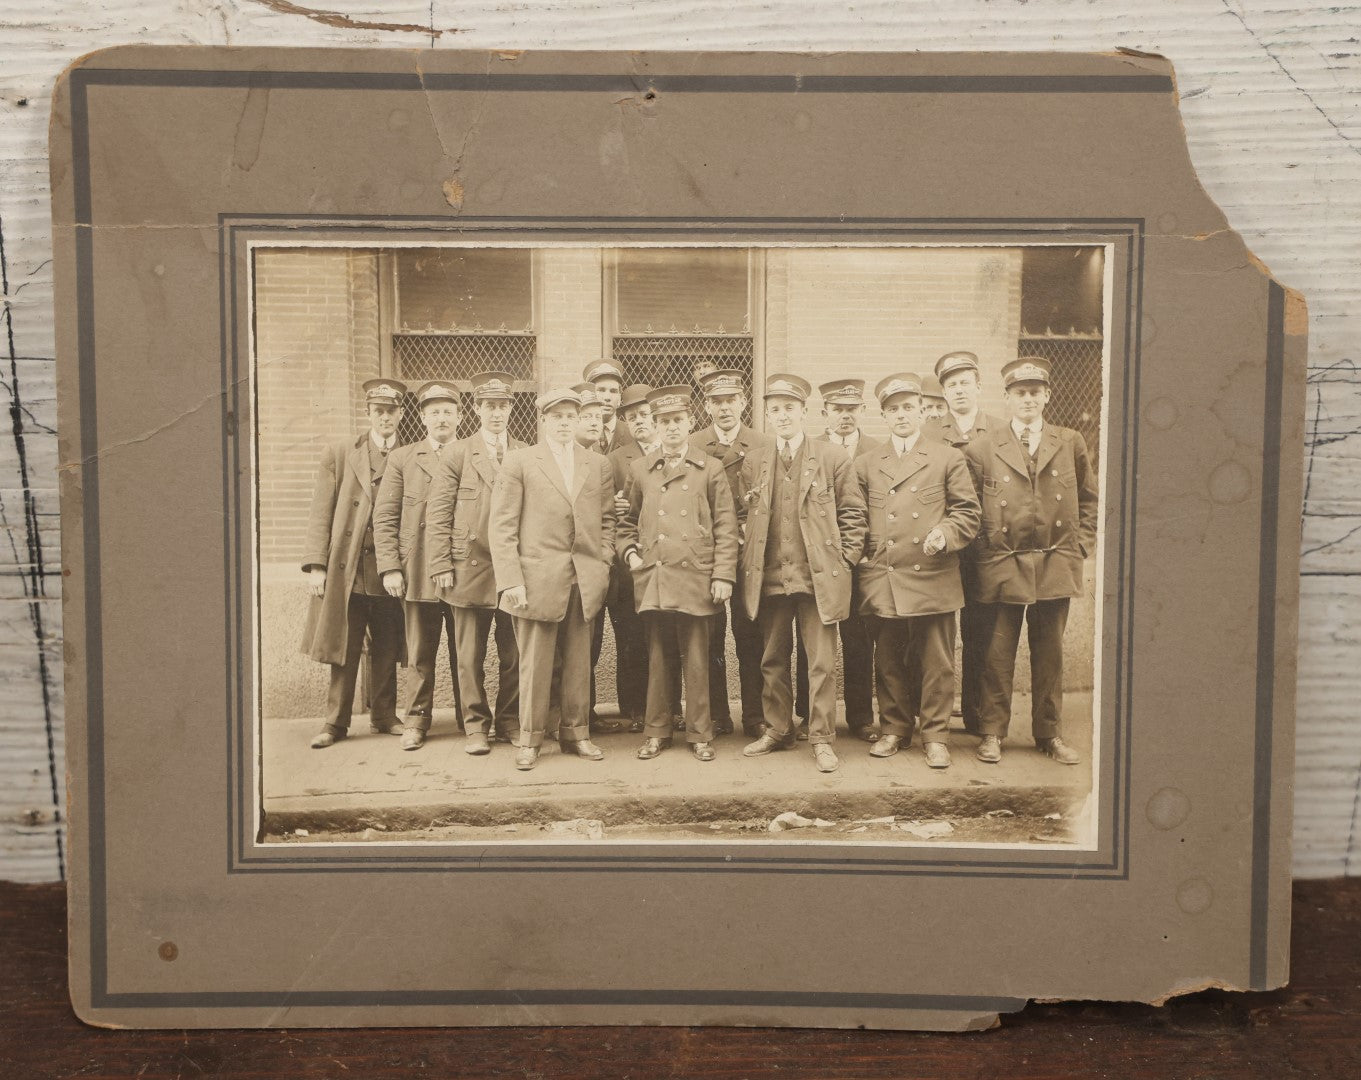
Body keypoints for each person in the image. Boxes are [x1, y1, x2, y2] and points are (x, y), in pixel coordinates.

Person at [963, 356, 1098, 766]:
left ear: (1047, 397)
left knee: (1050, 653)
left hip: (1055, 563)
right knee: (997, 653)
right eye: (1019, 393)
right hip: (1003, 564)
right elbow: (969, 509)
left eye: (1035, 393)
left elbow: (1089, 500)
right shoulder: (982, 448)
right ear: (1006, 399)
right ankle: (992, 733)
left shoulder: (1070, 440)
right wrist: (986, 556)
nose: (1027, 400)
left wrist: (1081, 547)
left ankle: (1049, 733)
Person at [737, 374, 867, 773]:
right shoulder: (755, 460)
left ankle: (822, 737)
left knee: (821, 662)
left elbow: (853, 515)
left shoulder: (831, 458)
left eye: (789, 408)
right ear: (767, 415)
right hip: (772, 575)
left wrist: (843, 560)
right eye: (774, 409)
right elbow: (744, 514)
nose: (781, 416)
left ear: (804, 412)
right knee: (772, 658)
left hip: (817, 578)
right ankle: (778, 729)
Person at [489, 387, 616, 771]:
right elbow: (502, 526)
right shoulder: (520, 461)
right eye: (556, 416)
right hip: (534, 581)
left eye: (570, 416)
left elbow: (607, 519)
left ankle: (576, 734)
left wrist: (603, 560)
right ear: (543, 420)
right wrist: (511, 579)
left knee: (580, 662)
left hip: (584, 578)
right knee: (534, 664)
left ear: (579, 420)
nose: (564, 423)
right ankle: (530, 739)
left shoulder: (597, 464)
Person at [856, 374, 980, 767]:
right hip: (885, 575)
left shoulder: (947, 457)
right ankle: (894, 728)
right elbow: (856, 519)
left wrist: (945, 533)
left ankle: (935, 735)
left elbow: (968, 513)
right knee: (888, 658)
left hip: (932, 574)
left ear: (921, 411)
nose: (901, 415)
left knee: (937, 660)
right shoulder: (866, 464)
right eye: (892, 410)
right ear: (883, 416)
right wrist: (861, 558)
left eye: (908, 407)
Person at [618, 386, 739, 761]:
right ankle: (657, 733)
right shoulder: (641, 469)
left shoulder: (710, 468)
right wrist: (631, 555)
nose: (671, 428)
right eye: (664, 422)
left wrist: (722, 575)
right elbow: (624, 521)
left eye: (677, 421)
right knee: (658, 656)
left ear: (690, 423)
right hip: (656, 575)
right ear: (655, 426)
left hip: (697, 577)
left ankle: (700, 733)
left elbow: (726, 525)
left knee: (697, 658)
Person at [300, 379, 408, 749]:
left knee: (388, 644)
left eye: (392, 411)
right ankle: (335, 722)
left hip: (390, 571)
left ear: (401, 414)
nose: (385, 418)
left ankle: (384, 714)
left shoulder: (409, 455)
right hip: (347, 569)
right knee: (343, 645)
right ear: (368, 414)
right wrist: (317, 564)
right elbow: (321, 510)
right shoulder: (342, 452)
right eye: (378, 411)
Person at [425, 371, 525, 755]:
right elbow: (439, 514)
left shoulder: (525, 452)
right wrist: (441, 565)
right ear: (478, 410)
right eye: (489, 407)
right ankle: (476, 726)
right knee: (468, 656)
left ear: (510, 410)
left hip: (510, 570)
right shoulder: (457, 453)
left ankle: (510, 720)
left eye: (502, 406)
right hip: (466, 567)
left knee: (513, 653)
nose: (496, 413)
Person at [373, 381, 465, 750]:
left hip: (463, 571)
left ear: (459, 416)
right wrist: (390, 567)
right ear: (423, 417)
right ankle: (416, 720)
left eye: (448, 411)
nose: (441, 418)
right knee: (418, 652)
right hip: (417, 570)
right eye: (434, 412)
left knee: (466, 652)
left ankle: (469, 719)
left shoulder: (471, 454)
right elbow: (385, 516)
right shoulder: (403, 458)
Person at [926, 350, 1007, 738]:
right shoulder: (929, 433)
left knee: (980, 633)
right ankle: (929, 714)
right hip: (939, 549)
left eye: (964, 383)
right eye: (951, 384)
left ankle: (975, 713)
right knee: (933, 636)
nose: (958, 390)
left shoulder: (999, 431)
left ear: (978, 386)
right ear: (943, 392)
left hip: (984, 550)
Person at [693, 369, 772, 738]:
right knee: (708, 633)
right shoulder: (694, 444)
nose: (725, 408)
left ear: (743, 402)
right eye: (717, 401)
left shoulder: (762, 443)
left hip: (749, 551)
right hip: (706, 552)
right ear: (707, 406)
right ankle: (716, 714)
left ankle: (755, 715)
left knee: (750, 631)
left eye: (731, 401)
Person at [811, 377, 885, 742]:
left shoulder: (878, 451)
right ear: (824, 413)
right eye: (837, 410)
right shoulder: (811, 450)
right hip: (819, 563)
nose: (844, 416)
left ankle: (860, 717)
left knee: (859, 639)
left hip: (861, 563)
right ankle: (805, 714)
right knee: (812, 639)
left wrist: (854, 556)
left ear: (863, 412)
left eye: (851, 409)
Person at [607, 384, 680, 733]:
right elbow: (607, 507)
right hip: (632, 566)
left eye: (644, 415)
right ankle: (635, 708)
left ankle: (672, 708)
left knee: (671, 636)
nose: (639, 422)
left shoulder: (680, 449)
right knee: (632, 638)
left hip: (671, 563)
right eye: (630, 417)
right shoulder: (617, 458)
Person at [583, 359, 635, 455]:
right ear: (590, 395)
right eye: (601, 390)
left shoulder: (632, 434)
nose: (607, 398)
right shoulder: (579, 433)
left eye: (613, 391)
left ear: (619, 398)